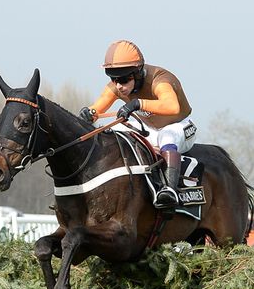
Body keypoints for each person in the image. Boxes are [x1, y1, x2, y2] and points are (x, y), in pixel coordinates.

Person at [79, 40, 196, 209]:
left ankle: (169, 190)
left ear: (138, 73)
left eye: (124, 80)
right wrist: (88, 114)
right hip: (150, 128)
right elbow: (97, 109)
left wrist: (138, 103)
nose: (119, 86)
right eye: (114, 79)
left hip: (180, 126)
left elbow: (172, 106)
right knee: (114, 130)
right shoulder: (118, 86)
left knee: (167, 136)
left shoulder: (160, 80)